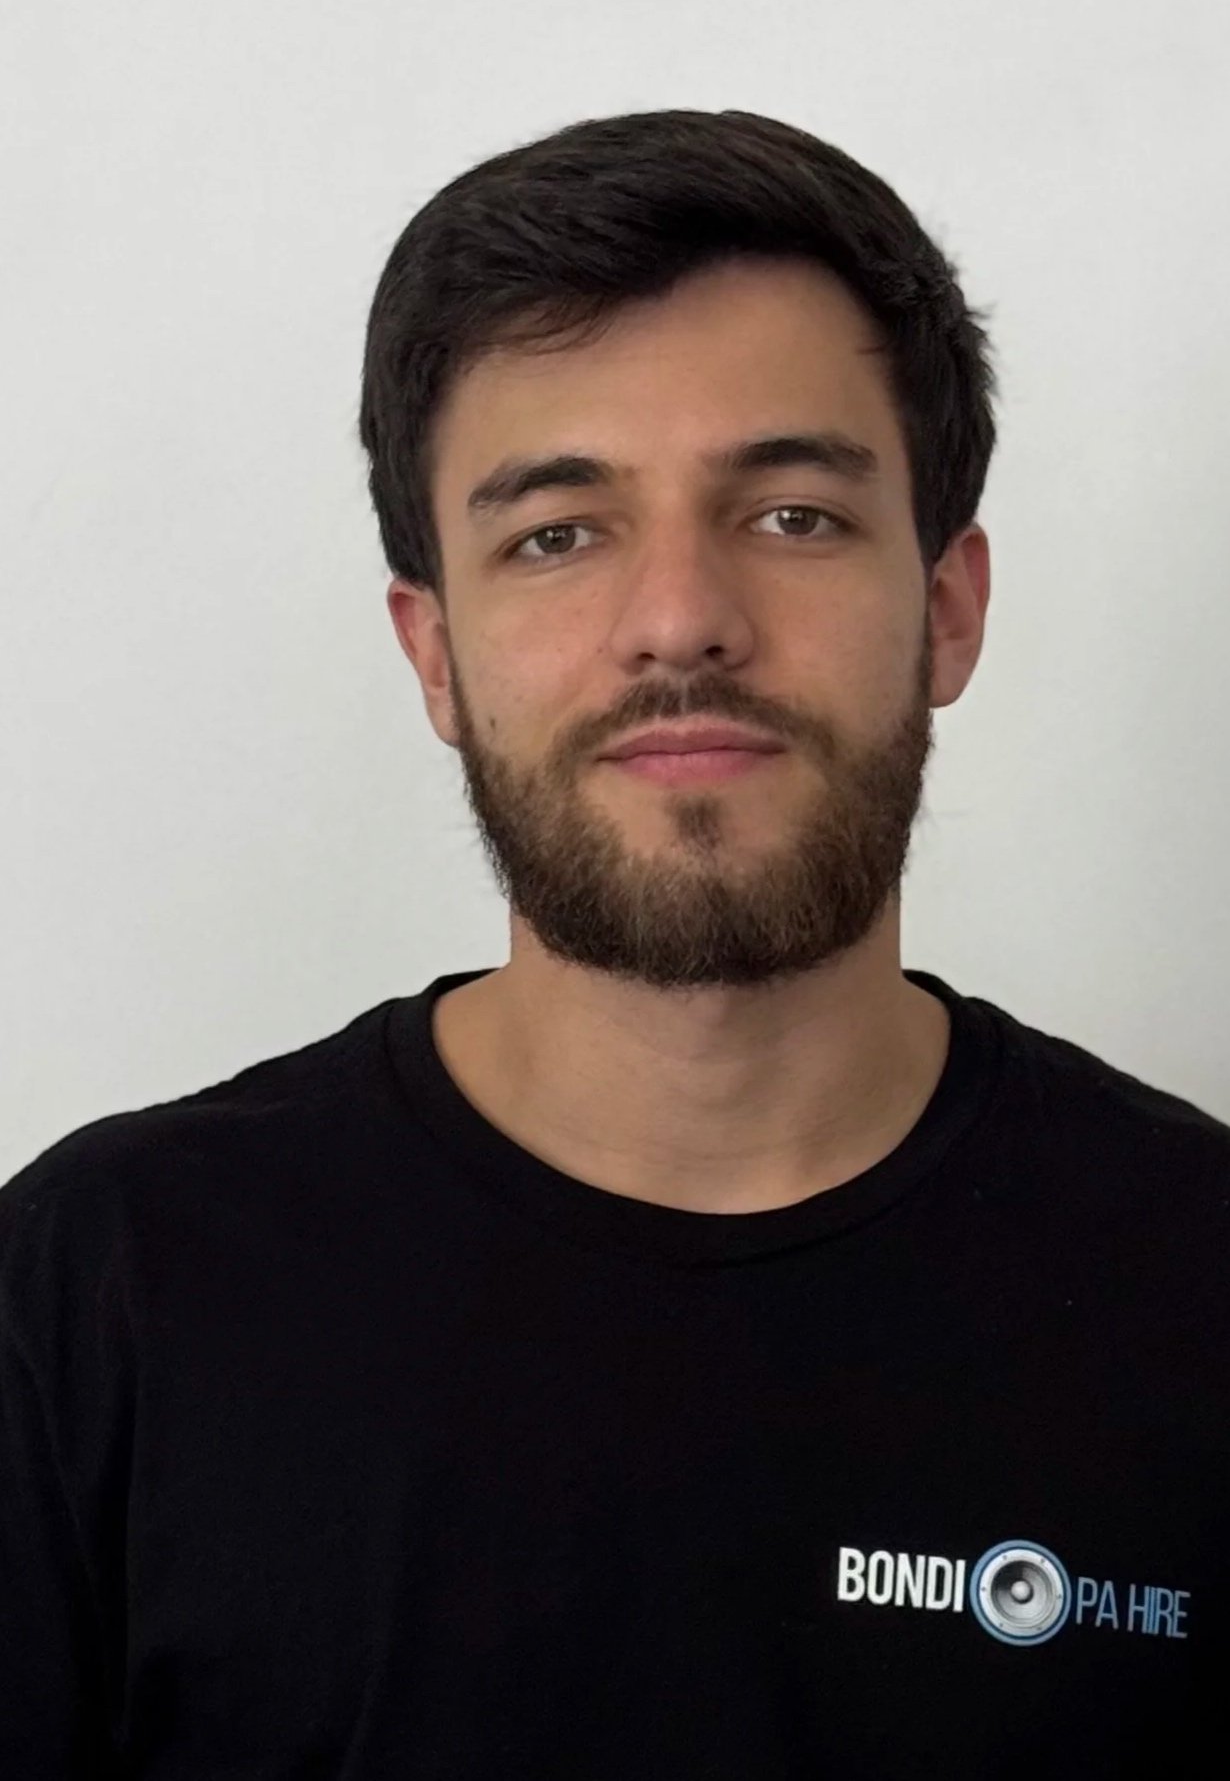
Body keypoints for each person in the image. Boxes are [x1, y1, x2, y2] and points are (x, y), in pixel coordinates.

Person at [2, 107, 1226, 1779]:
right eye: (557, 533)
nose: (678, 620)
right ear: (433, 653)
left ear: (946, 606)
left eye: (792, 513)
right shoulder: (94, 1300)